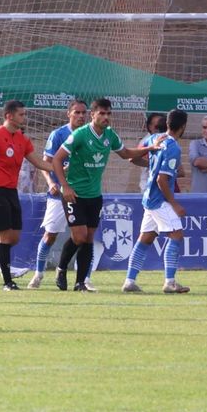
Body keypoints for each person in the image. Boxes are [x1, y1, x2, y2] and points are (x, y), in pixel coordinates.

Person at [50, 97, 150, 292]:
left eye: (108, 114)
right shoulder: (79, 135)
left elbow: (126, 153)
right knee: (79, 236)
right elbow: (56, 160)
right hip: (74, 193)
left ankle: (80, 283)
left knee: (88, 238)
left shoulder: (110, 135)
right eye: (102, 113)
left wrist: (149, 149)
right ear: (92, 115)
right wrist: (65, 186)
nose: (106, 117)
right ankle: (61, 269)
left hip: (94, 195)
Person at [0, 100, 52, 290]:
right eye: (21, 114)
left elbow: (38, 162)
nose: (25, 117)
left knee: (13, 238)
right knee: (5, 238)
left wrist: (61, 168)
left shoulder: (22, 139)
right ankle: (8, 282)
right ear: (9, 116)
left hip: (11, 192)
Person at [124, 109, 190, 295]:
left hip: (148, 196)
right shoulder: (173, 147)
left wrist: (151, 165)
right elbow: (162, 180)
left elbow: (132, 157)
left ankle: (130, 281)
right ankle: (169, 282)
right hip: (158, 199)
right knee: (176, 235)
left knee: (146, 238)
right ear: (183, 126)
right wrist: (174, 204)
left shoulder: (154, 138)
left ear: (167, 123)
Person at [27, 99, 87, 288]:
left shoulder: (89, 135)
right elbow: (46, 162)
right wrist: (51, 182)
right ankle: (38, 274)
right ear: (68, 113)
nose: (80, 116)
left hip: (83, 193)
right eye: (76, 112)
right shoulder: (58, 134)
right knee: (50, 235)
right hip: (59, 193)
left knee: (86, 236)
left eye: (83, 113)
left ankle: (84, 278)